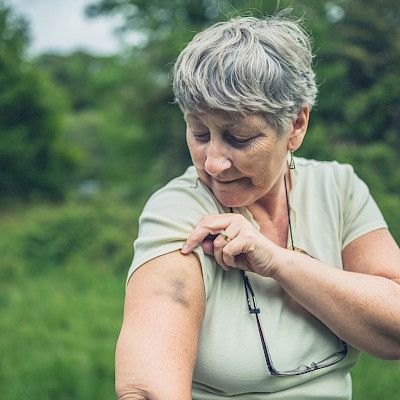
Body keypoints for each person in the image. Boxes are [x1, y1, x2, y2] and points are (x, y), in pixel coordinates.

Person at [115, 13, 400, 400]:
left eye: (239, 137)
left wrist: (280, 263)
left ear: (296, 125)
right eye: (199, 133)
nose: (213, 162)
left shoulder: (337, 187)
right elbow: (147, 387)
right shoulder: (178, 211)